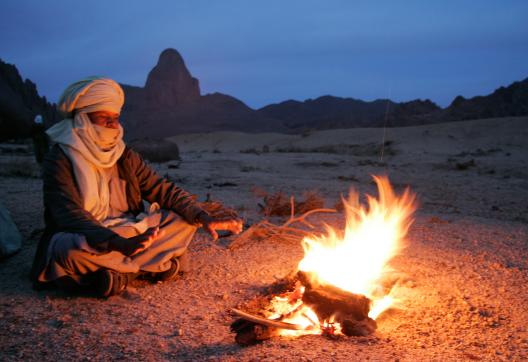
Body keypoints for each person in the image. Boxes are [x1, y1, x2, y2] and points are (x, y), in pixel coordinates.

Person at [30, 77, 243, 297]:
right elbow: (69, 214)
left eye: (116, 118)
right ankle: (147, 269)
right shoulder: (60, 158)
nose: (114, 126)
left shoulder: (124, 155)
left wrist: (202, 216)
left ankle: (119, 274)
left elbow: (161, 189)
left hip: (131, 231)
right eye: (105, 119)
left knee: (183, 221)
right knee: (65, 249)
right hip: (91, 236)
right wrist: (117, 243)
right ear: (83, 119)